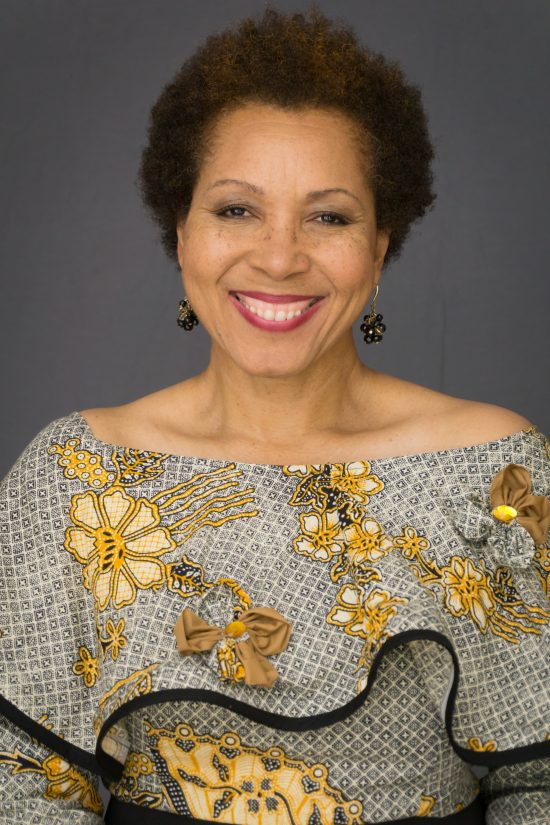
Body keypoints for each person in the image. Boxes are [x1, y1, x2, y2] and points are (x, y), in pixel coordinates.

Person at [1, 6, 549, 824]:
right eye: (236, 210)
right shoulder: (73, 474)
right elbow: (20, 783)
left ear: (381, 244)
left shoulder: (497, 472)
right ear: (179, 231)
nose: (281, 256)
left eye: (328, 216)